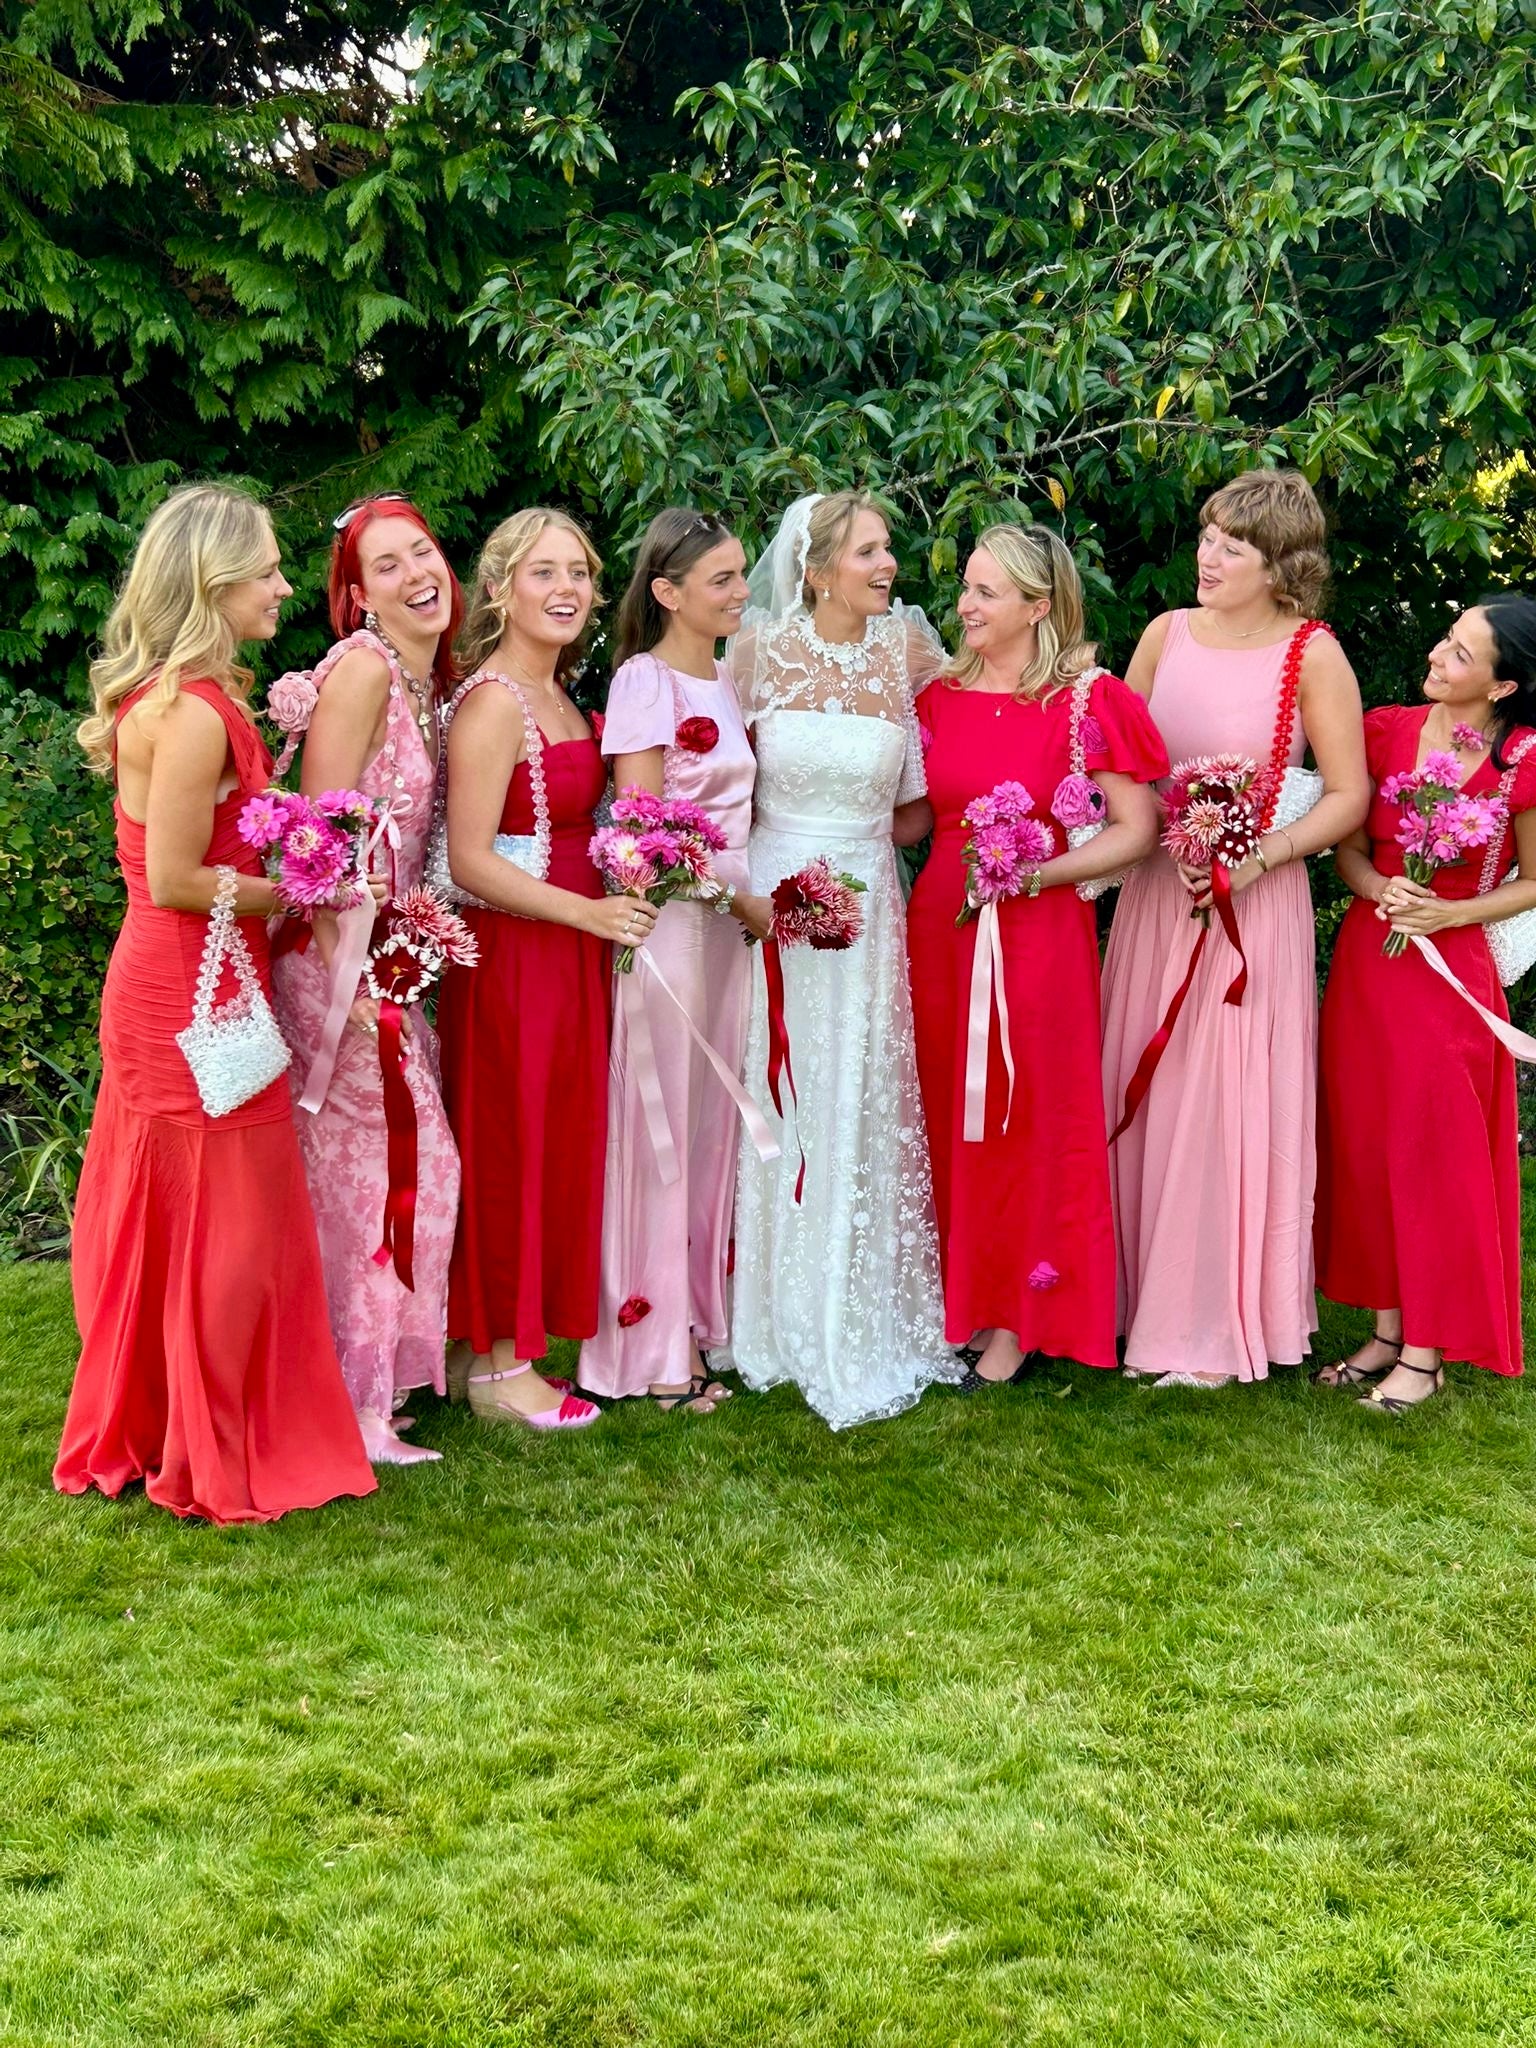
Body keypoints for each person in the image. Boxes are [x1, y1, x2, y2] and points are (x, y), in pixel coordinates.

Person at [56, 483, 377, 1522]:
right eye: (269, 570)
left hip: (197, 972)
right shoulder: (190, 714)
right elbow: (176, 878)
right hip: (184, 984)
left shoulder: (191, 697)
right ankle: (203, 1433)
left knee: (188, 1206)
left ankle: (175, 1416)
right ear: (214, 581)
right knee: (219, 1216)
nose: (286, 585)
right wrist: (301, 888)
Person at [1100, 470, 1369, 1387]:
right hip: (1153, 899)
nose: (1207, 556)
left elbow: (1349, 796)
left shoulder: (1313, 652)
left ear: (1280, 566)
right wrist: (1140, 834)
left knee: (1225, 1103)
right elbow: (1114, 760)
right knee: (1146, 1083)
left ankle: (1213, 1322)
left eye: (1232, 546)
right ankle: (1135, 1305)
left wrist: (1256, 857)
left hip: (1252, 912)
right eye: (1208, 536)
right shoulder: (1163, 633)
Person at [907, 526, 1165, 1385]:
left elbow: (1138, 831)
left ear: (1037, 605)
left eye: (985, 593)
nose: (966, 607)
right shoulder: (935, 697)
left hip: (1036, 933)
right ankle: (958, 1300)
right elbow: (909, 817)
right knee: (945, 1104)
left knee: (1029, 1114)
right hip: (939, 922)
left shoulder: (1090, 700)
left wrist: (1036, 874)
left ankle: (1022, 1314)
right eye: (966, 590)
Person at [721, 488, 956, 1428]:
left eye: (886, 548)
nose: (886, 564)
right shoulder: (753, 655)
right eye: (867, 551)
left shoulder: (908, 655)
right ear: (814, 570)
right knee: (782, 1083)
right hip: (771, 897)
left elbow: (922, 804)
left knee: (859, 1089)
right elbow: (714, 784)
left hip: (869, 900)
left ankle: (861, 1303)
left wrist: (858, 848)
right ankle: (771, 1316)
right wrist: (763, 877)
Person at [437, 508, 656, 1428]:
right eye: (543, 574)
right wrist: (587, 912)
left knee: (555, 1138)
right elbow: (468, 860)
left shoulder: (565, 692)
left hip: (569, 947)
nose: (566, 590)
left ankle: (484, 1344)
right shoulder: (496, 702)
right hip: (517, 955)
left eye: (579, 574)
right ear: (498, 589)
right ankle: (498, 1364)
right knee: (510, 1142)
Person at [269, 495, 464, 1466]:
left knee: (382, 1178)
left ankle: (360, 1389)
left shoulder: (428, 683)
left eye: (420, 552)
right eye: (384, 566)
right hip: (336, 970)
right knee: (402, 1177)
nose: (413, 573)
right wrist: (368, 968)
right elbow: (317, 843)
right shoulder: (361, 672)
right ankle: (356, 1405)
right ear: (356, 597)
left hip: (388, 965)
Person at [1315, 593, 1536, 1408]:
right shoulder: (1384, 730)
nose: (1439, 658)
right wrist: (1378, 886)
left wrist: (1451, 912)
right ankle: (1385, 1330)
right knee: (1372, 1145)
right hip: (1373, 963)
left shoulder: (1525, 761)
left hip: (1453, 976)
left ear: (1504, 687)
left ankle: (1428, 1350)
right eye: (1445, 642)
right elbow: (1347, 846)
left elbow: (1535, 881)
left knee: (1433, 1156)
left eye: (1461, 655)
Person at [577, 510, 773, 1414]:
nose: (742, 591)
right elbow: (644, 826)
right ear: (668, 593)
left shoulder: (726, 678)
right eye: (724, 580)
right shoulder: (643, 681)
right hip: (670, 927)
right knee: (660, 1129)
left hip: (728, 933)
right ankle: (649, 1350)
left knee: (707, 1127)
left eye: (740, 575)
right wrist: (736, 895)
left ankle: (695, 1323)